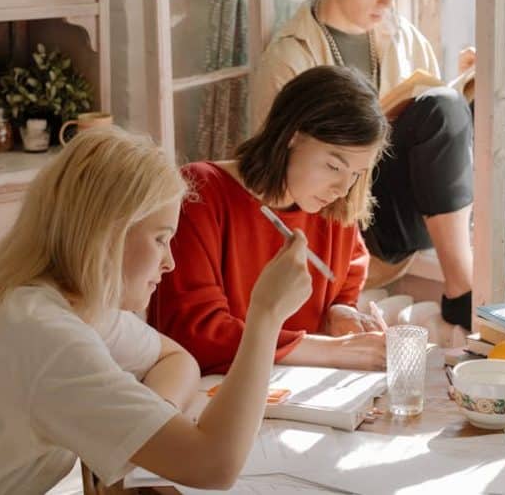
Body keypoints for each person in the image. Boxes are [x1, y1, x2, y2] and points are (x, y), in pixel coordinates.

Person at [0, 127, 315, 493]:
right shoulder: (46, 337)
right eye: (161, 239)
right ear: (107, 234)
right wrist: (265, 315)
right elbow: (214, 465)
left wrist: (147, 424)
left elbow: (175, 358)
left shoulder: (62, 305)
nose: (170, 263)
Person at [250, 0, 476, 329]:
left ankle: (468, 271)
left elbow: (436, 141)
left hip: (411, 215)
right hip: (348, 223)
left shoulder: (404, 37)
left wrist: (466, 87)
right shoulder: (290, 56)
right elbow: (279, 178)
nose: (388, 1)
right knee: (442, 108)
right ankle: (463, 291)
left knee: (476, 93)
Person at [150, 65, 390, 374]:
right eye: (333, 166)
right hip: (215, 394)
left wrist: (339, 311)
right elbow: (197, 334)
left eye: (356, 174)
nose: (343, 188)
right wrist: (333, 351)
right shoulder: (202, 192)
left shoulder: (330, 205)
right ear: (292, 136)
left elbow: (348, 275)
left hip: (299, 392)